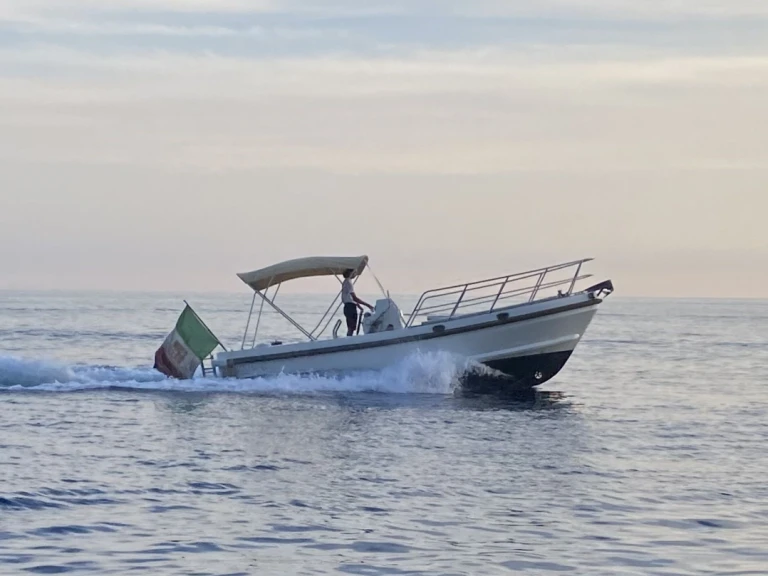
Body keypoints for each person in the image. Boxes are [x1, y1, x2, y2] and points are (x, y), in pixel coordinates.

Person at [341, 269, 373, 336]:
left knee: (351, 326)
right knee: (351, 327)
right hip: (350, 307)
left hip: (349, 306)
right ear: (351, 273)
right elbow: (354, 298)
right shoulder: (348, 283)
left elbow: (350, 297)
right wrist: (368, 305)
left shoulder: (346, 282)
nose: (355, 274)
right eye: (354, 273)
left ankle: (349, 338)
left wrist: (357, 305)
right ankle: (349, 340)